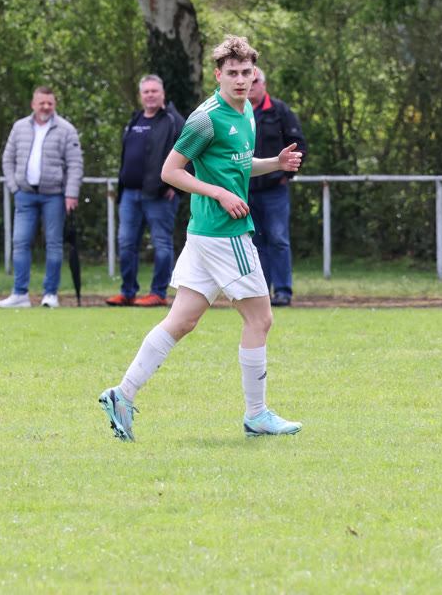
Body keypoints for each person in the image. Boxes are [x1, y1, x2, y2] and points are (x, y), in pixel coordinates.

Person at [97, 35, 304, 442]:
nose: (240, 80)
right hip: (225, 234)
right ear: (217, 75)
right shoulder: (205, 119)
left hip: (204, 235)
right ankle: (257, 415)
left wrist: (274, 163)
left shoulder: (246, 111)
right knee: (260, 319)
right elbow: (170, 171)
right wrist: (220, 194)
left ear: (255, 74)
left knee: (181, 321)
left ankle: (122, 394)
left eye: (246, 73)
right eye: (232, 73)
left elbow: (237, 165)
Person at [0, 86, 84, 308]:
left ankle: (50, 294)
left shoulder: (66, 129)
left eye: (50, 103)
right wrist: (14, 187)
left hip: (55, 196)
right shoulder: (19, 127)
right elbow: (7, 159)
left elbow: (75, 164)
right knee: (20, 242)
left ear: (55, 104)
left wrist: (71, 194)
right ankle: (20, 294)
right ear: (33, 104)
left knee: (54, 244)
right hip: (24, 195)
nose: (46, 107)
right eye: (42, 103)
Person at [106, 75, 185, 308]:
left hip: (159, 196)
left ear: (162, 94)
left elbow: (191, 151)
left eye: (154, 91)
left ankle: (158, 293)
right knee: (126, 243)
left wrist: (176, 185)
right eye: (146, 92)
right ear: (141, 95)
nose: (150, 95)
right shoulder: (135, 120)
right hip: (130, 194)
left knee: (162, 244)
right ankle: (127, 292)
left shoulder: (173, 120)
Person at [247, 68, 308, 307]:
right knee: (255, 242)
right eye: (248, 80)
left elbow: (299, 146)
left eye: (255, 81)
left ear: (264, 84)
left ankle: (283, 291)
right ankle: (261, 292)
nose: (250, 85)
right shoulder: (237, 111)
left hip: (274, 190)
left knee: (279, 239)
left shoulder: (280, 111)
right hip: (246, 190)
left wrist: (286, 175)